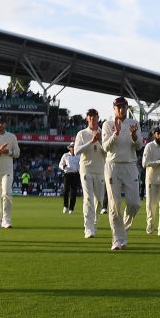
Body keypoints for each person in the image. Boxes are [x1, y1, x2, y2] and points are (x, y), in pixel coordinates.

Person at [101, 96, 143, 250]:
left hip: (130, 166)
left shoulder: (134, 123)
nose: (121, 109)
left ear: (127, 108)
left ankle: (122, 229)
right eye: (118, 107)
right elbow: (106, 147)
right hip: (113, 166)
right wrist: (116, 134)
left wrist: (134, 136)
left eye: (123, 107)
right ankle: (117, 239)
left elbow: (139, 146)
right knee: (114, 204)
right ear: (114, 108)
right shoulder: (108, 124)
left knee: (134, 204)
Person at [73, 108, 106, 238]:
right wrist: (91, 141)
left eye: (94, 116)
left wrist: (100, 141)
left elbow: (107, 153)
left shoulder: (104, 133)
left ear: (98, 117)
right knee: (88, 199)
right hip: (86, 169)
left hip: (100, 170)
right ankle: (88, 228)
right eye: (89, 116)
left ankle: (94, 223)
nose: (92, 118)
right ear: (87, 118)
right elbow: (76, 151)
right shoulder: (81, 134)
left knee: (99, 200)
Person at [59, 144, 80, 214]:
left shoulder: (79, 156)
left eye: (74, 147)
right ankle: (65, 206)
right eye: (72, 147)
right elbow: (60, 165)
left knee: (73, 192)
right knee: (65, 190)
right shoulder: (65, 155)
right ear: (70, 148)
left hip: (75, 174)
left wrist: (78, 170)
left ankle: (71, 208)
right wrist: (63, 166)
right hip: (67, 174)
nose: (73, 148)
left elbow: (82, 165)